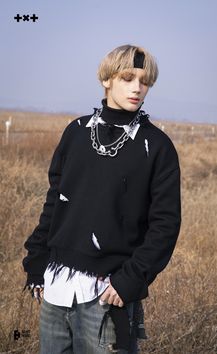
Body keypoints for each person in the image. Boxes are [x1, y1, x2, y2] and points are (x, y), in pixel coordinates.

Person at [22, 44, 181, 354]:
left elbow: (165, 225)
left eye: (145, 81)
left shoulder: (157, 147)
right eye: (127, 77)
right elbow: (55, 202)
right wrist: (36, 263)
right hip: (56, 290)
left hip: (107, 296)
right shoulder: (77, 132)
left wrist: (129, 281)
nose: (138, 88)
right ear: (107, 79)